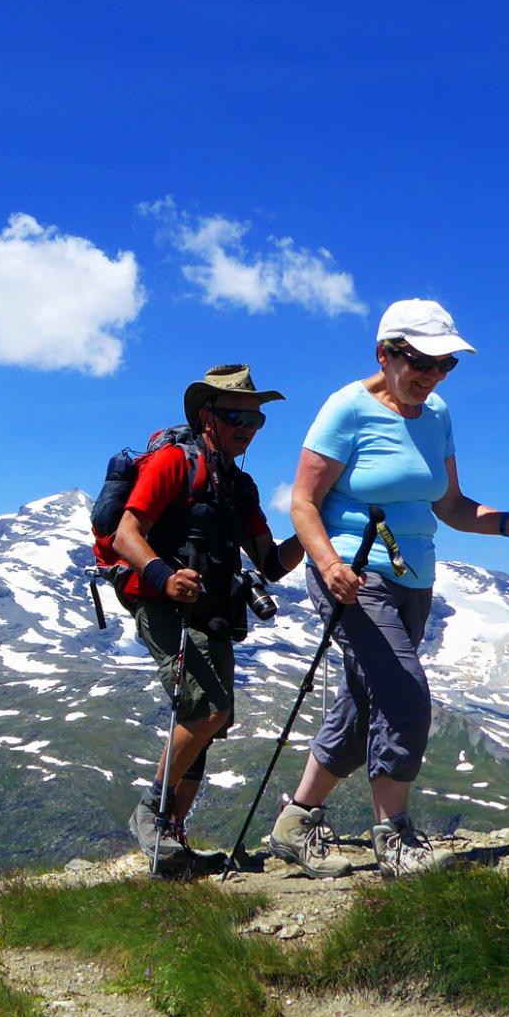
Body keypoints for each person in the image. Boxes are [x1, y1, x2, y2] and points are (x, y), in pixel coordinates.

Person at [270, 299, 509, 879]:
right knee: (405, 692)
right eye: (422, 362)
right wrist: (328, 564)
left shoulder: (437, 415)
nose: (432, 376)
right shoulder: (345, 409)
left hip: (415, 579)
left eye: (445, 365)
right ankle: (393, 835)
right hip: (353, 575)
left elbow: (451, 505)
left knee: (364, 702)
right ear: (386, 354)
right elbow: (302, 503)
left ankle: (295, 821)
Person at [113, 365, 305, 875]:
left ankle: (172, 846)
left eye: (256, 420)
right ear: (206, 417)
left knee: (204, 727)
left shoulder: (240, 488)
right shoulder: (175, 464)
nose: (247, 427)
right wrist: (162, 576)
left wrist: (311, 530)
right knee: (206, 711)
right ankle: (150, 812)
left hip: (215, 612)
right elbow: (125, 535)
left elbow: (268, 563)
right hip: (163, 606)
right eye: (236, 416)